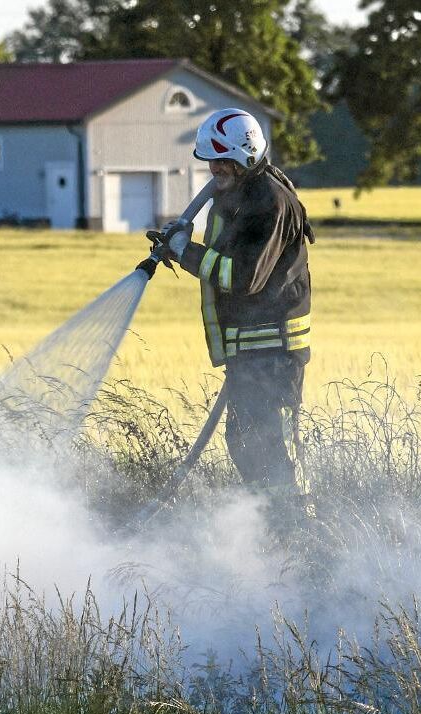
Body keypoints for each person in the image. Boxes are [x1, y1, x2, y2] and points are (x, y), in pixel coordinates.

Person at [147, 109, 315, 518]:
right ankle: (275, 524)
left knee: (261, 444)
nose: (214, 168)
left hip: (272, 352)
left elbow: (242, 277)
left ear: (248, 154)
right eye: (210, 159)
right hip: (252, 349)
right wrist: (181, 246)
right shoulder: (238, 195)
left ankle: (293, 528)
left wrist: (185, 251)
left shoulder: (270, 203)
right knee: (246, 440)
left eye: (223, 159)